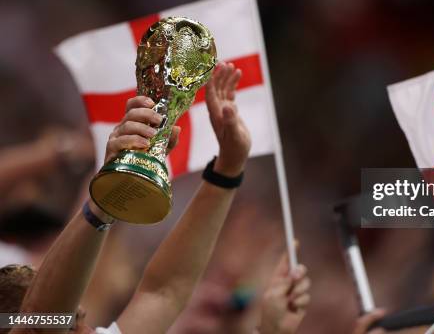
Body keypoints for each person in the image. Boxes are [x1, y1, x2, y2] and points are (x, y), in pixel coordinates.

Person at [6, 62, 252, 334]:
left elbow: (165, 292)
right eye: (73, 318)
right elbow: (41, 317)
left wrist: (227, 170)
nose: (83, 311)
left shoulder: (43, 319)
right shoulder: (39, 320)